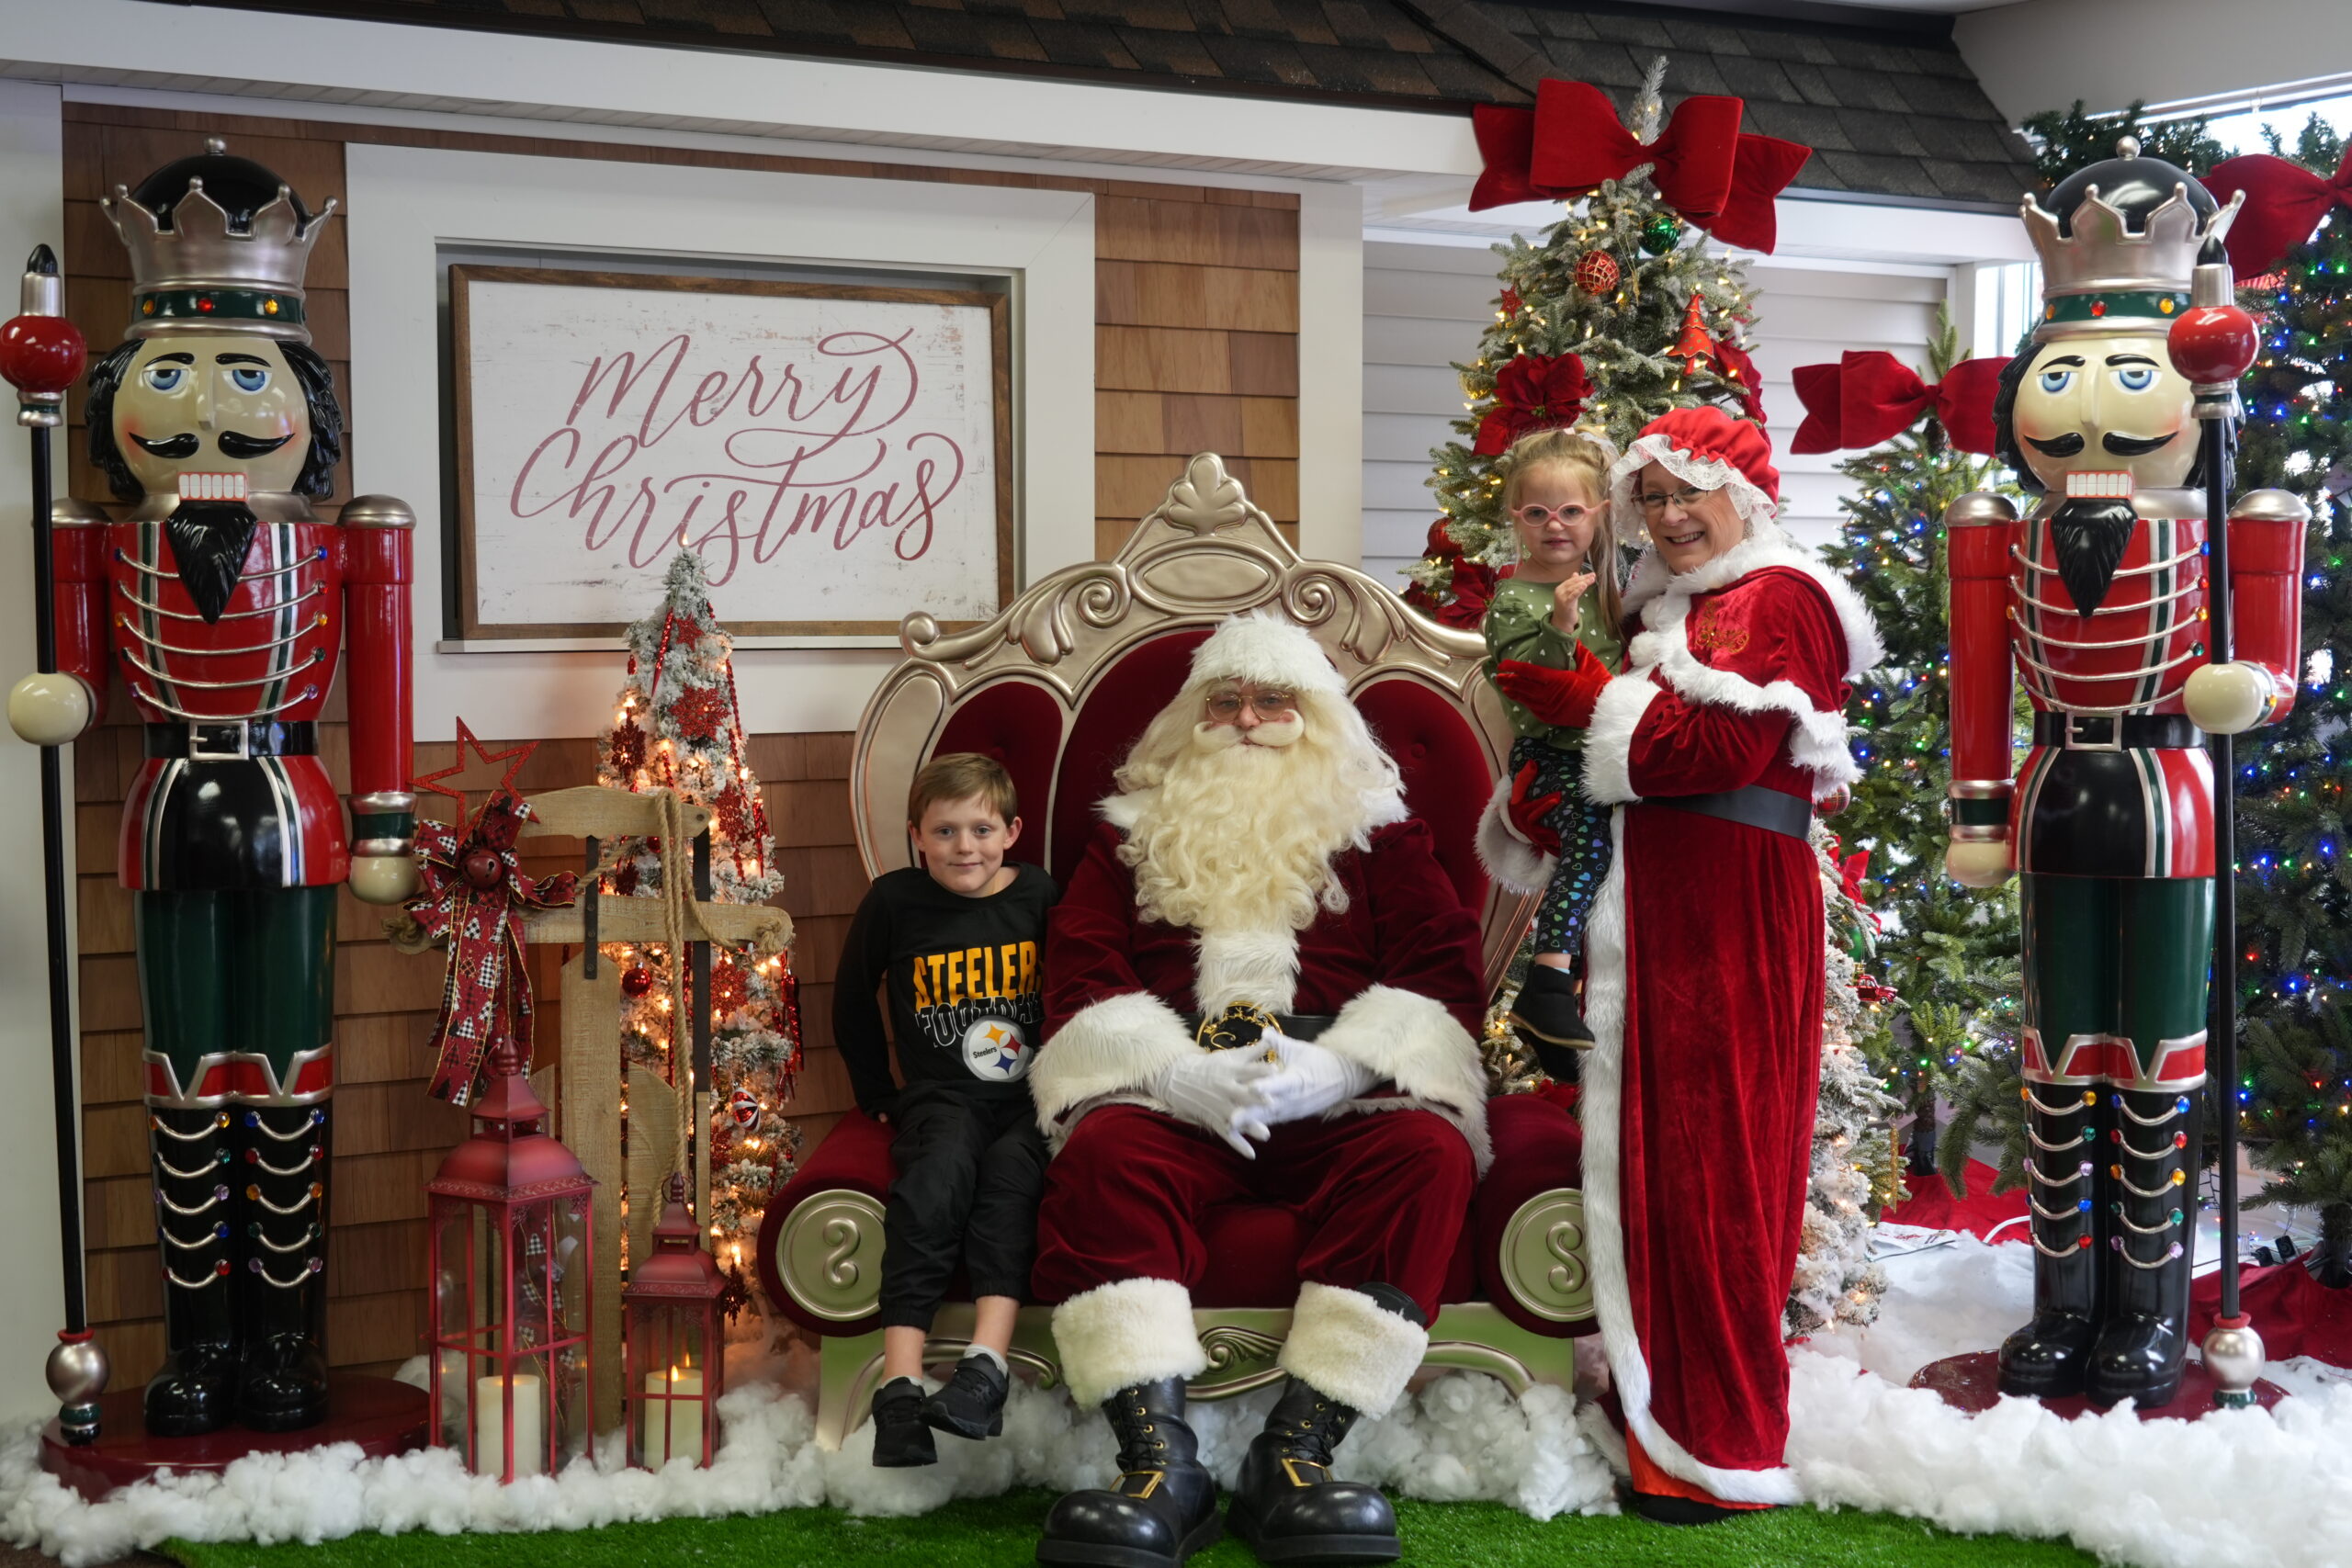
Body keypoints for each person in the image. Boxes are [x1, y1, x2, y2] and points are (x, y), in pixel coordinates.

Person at [1028, 614, 1489, 1568]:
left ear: (1316, 717)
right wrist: (1170, 1071)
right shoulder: (1128, 833)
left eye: (1273, 700)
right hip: (1178, 1097)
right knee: (1105, 1152)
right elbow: (1081, 969)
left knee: (1427, 1153)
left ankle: (1297, 1454)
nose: (1246, 719)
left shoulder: (1382, 835)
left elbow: (1441, 973)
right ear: (1189, 721)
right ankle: (1159, 1467)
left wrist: (1346, 1066)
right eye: (1225, 702)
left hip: (1340, 1101)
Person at [1495, 407, 1879, 1523]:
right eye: (1651, 498)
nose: (1667, 517)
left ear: (1742, 496)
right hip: (1654, 919)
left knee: (1717, 1172)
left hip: (1726, 924)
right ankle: (1661, 1419)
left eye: (1686, 494)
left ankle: (1721, 1443)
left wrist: (1583, 700)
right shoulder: (1673, 609)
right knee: (1659, 1172)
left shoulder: (1778, 598)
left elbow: (1710, 748)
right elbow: (1621, 771)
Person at [833, 752, 1057, 1467]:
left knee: (1010, 1182)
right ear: (917, 836)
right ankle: (899, 1386)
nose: (965, 847)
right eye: (946, 831)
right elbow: (851, 997)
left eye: (982, 829)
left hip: (1028, 1101)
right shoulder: (895, 902)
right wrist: (876, 1093)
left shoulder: (1039, 895)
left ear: (1012, 831)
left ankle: (983, 1371)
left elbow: (1080, 991)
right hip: (941, 1097)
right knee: (933, 1182)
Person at [1474, 427, 1627, 1067]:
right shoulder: (1514, 598)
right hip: (1551, 759)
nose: (1555, 525)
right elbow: (1529, 686)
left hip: (1610, 755)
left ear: (1599, 515)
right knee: (1588, 843)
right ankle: (1547, 981)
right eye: (1537, 513)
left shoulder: (1613, 586)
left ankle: (1583, 1008)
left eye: (1570, 511)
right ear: (1517, 519)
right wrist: (1560, 625)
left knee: (1615, 868)